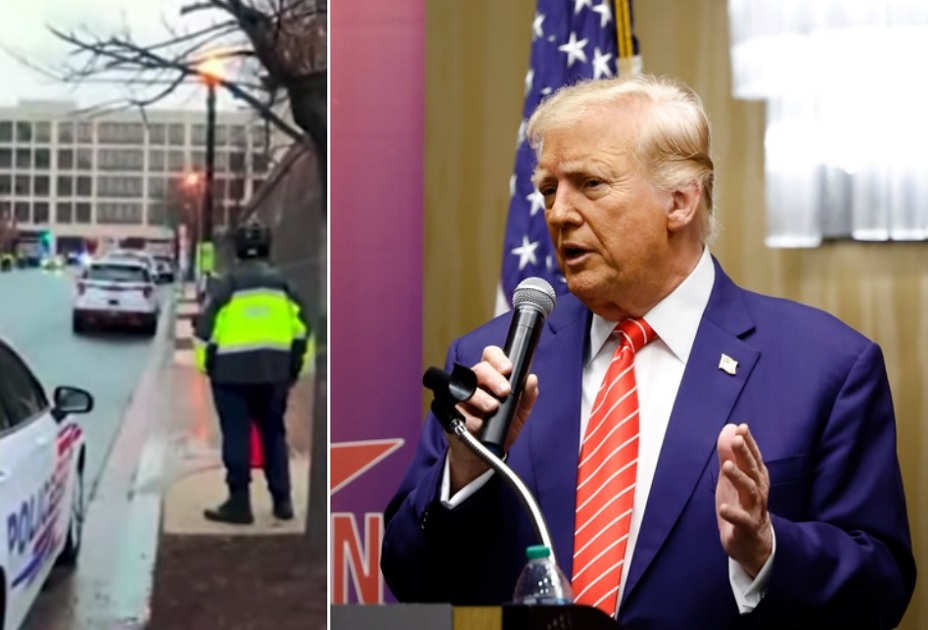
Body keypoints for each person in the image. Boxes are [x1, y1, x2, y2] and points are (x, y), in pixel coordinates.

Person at [381, 74, 915, 629]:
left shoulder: (825, 368)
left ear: (680, 201)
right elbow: (410, 579)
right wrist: (466, 468)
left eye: (590, 184)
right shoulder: (495, 359)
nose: (558, 213)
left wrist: (768, 550)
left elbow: (882, 590)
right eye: (547, 189)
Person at [195, 219, 310, 525]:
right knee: (274, 434)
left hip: (231, 376)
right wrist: (292, 369)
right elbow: (302, 332)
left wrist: (206, 365)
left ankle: (239, 502)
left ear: (238, 250)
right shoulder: (285, 286)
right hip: (274, 375)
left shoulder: (227, 286)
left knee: (237, 436)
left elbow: (204, 333)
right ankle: (282, 501)